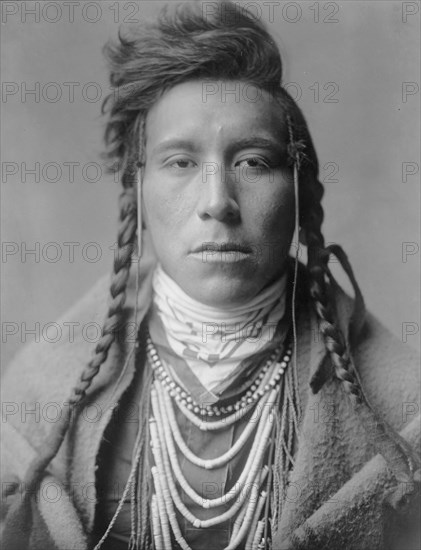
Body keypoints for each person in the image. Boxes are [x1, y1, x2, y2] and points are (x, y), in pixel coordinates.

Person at [1, 2, 419, 549]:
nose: (218, 202)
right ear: (139, 191)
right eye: (180, 162)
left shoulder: (403, 409)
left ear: (300, 192)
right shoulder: (39, 394)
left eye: (253, 162)